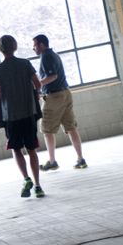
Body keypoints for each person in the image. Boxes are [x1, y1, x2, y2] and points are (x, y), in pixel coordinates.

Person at [0, 35, 45, 198]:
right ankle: (38, 186)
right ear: (15, 46)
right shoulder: (25, 64)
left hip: (10, 116)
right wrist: (33, 95)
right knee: (32, 149)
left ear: (1, 49)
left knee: (16, 149)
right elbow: (38, 84)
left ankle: (26, 178)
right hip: (28, 113)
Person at [33, 34, 87, 170]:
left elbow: (53, 76)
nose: (33, 48)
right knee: (71, 127)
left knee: (47, 129)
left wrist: (37, 84)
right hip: (65, 93)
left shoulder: (46, 56)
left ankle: (52, 161)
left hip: (55, 96)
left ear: (41, 45)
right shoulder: (53, 54)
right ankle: (81, 159)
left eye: (35, 45)